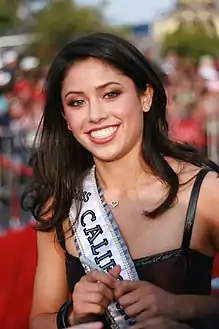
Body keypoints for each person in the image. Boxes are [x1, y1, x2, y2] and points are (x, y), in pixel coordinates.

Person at [22, 33, 219, 329]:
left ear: (145, 96)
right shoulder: (61, 204)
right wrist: (71, 316)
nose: (95, 115)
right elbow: (39, 320)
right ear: (65, 117)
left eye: (111, 94)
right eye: (77, 102)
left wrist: (179, 308)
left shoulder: (205, 192)